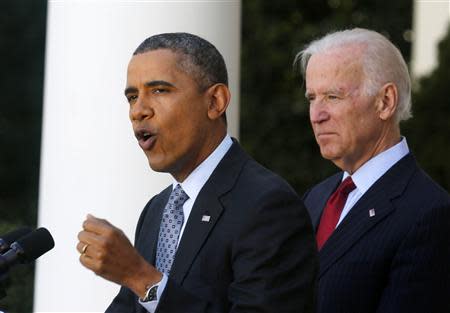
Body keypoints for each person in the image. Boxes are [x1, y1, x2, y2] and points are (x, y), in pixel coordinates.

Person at [77, 32, 317, 313]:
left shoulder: (267, 205)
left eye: (159, 90)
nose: (138, 111)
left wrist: (141, 278)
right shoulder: (157, 209)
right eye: (132, 96)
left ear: (215, 101)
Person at [295, 28, 450, 313]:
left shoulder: (431, 213)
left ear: (385, 102)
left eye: (332, 96)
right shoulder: (316, 199)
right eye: (311, 98)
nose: (316, 115)